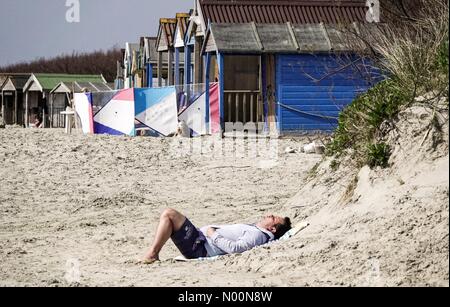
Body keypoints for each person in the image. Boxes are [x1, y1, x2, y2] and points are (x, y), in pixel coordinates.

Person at [141, 208, 292, 264]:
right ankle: (153, 253)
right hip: (200, 239)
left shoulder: (257, 235)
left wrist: (213, 234)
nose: (269, 214)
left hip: (200, 247)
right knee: (169, 215)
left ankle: (153, 254)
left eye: (273, 218)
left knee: (169, 214)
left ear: (272, 229)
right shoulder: (255, 229)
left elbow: (236, 249)